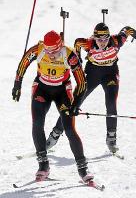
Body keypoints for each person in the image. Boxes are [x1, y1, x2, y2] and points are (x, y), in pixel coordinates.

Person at [46, 23, 136, 153]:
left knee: (111, 103)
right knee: (74, 102)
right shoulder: (89, 43)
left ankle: (111, 139)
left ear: (109, 37)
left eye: (105, 39)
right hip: (93, 73)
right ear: (94, 38)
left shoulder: (116, 41)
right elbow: (78, 42)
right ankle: (55, 135)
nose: (102, 42)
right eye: (99, 39)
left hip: (110, 73)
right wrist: (78, 56)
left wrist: (134, 33)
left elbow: (126, 30)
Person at [12, 30, 94, 182]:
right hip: (42, 89)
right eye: (47, 50)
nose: (50, 54)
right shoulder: (39, 49)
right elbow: (24, 61)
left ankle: (83, 169)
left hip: (62, 91)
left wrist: (76, 103)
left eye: (54, 51)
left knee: (69, 129)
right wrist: (17, 84)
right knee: (37, 124)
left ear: (60, 46)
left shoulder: (69, 54)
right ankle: (43, 165)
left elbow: (82, 82)